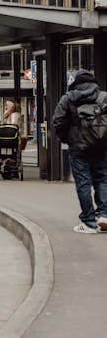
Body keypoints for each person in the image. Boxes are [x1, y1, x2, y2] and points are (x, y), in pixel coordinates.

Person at [52, 69, 107, 233]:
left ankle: (89, 222)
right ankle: (104, 214)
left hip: (78, 148)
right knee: (103, 179)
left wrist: (67, 139)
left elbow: (58, 122)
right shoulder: (104, 97)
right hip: (101, 146)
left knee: (83, 183)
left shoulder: (68, 98)